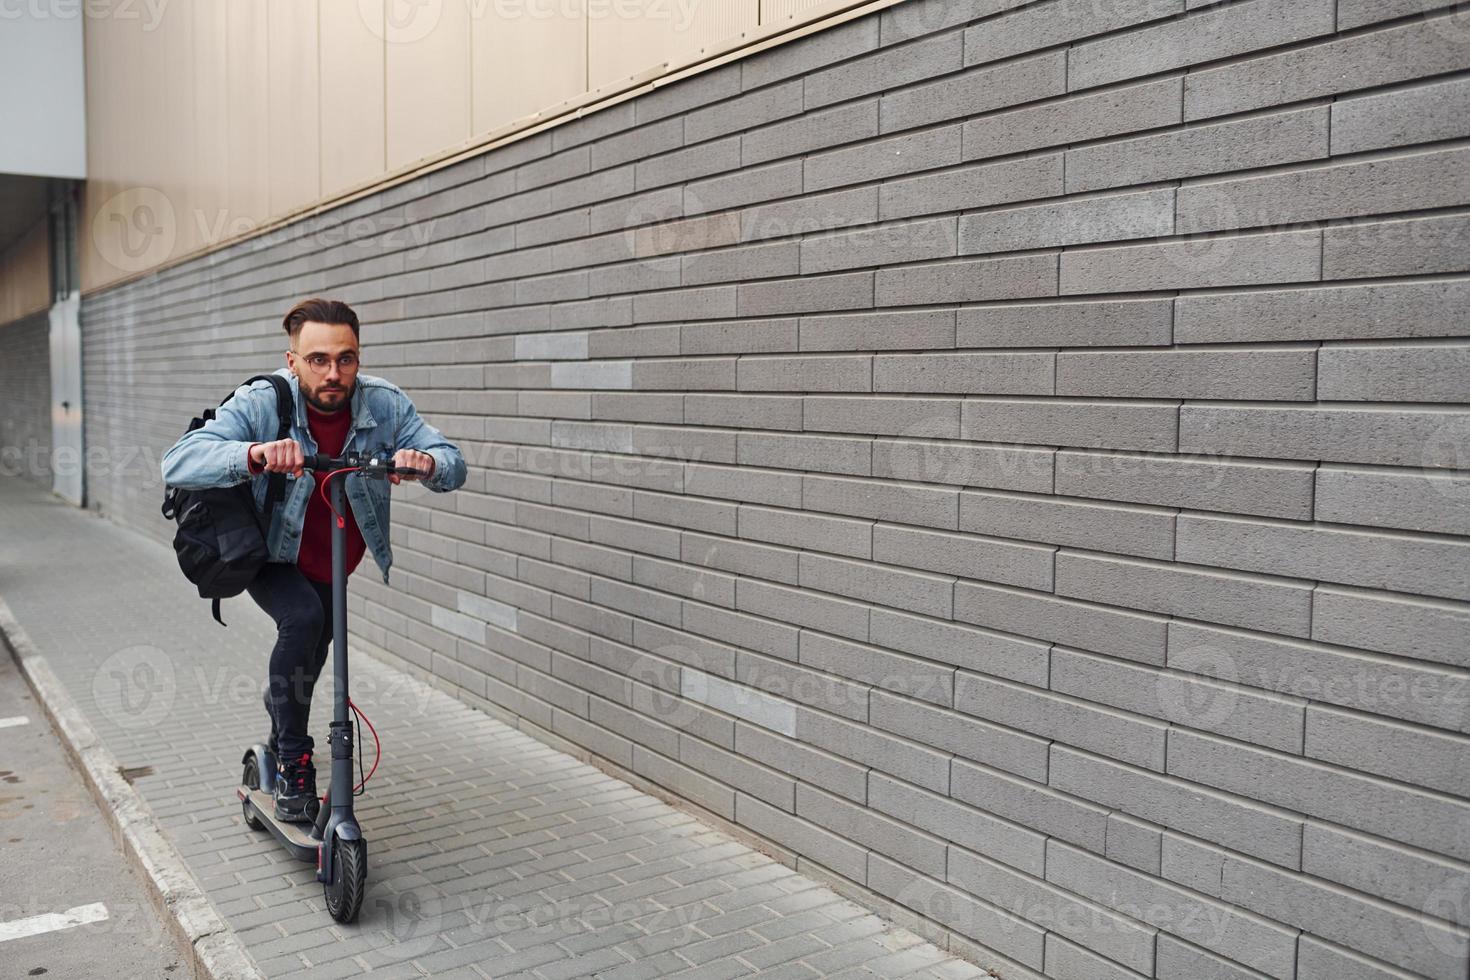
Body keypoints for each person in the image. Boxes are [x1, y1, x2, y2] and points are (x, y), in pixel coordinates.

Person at [160, 298, 467, 822]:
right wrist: (253, 454)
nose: (333, 373)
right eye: (318, 359)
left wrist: (428, 461)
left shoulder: (386, 404)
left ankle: (281, 712)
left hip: (336, 558)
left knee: (315, 646)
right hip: (270, 551)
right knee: (302, 621)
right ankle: (293, 760)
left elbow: (454, 464)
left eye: (345, 359)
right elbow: (180, 459)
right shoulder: (263, 401)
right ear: (293, 360)